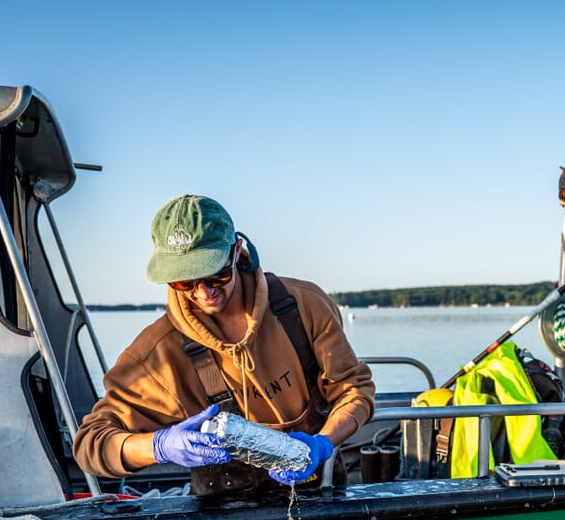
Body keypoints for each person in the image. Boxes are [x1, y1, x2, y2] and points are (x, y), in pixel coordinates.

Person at [74, 195, 375, 493]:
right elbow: (91, 443)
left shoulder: (304, 305)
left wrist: (324, 443)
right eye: (184, 282)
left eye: (215, 274)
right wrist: (158, 446)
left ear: (237, 251)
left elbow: (355, 390)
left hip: (322, 495)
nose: (203, 292)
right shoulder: (157, 354)